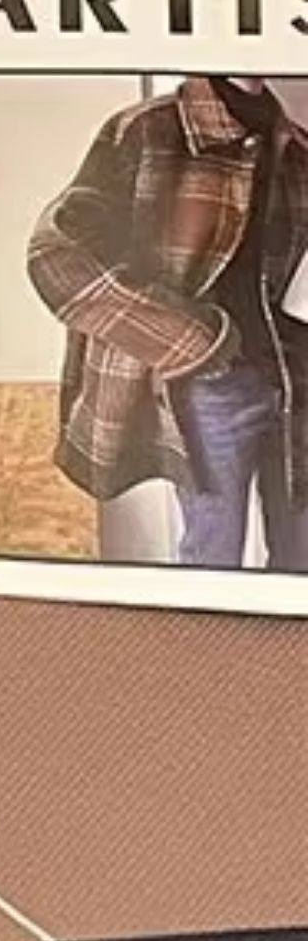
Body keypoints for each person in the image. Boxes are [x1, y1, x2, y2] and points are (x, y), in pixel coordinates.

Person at [27, 73, 308, 572]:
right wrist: (189, 340)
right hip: (211, 385)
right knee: (213, 557)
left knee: (301, 558)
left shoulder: (294, 140)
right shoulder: (149, 130)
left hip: (296, 382)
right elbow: (57, 258)